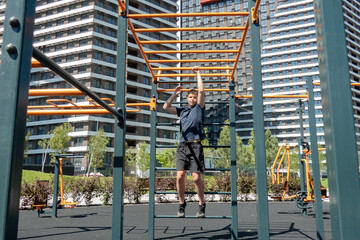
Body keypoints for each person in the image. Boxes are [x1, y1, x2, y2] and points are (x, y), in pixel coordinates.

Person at [163, 66, 206, 218]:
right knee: (180, 176)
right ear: (187, 98)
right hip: (183, 146)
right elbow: (165, 106)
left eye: (194, 97)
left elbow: (201, 91)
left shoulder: (199, 108)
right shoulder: (182, 110)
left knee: (196, 177)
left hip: (195, 146)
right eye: (190, 97)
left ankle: (201, 204)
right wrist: (174, 94)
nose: (193, 99)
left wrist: (198, 73)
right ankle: (182, 204)